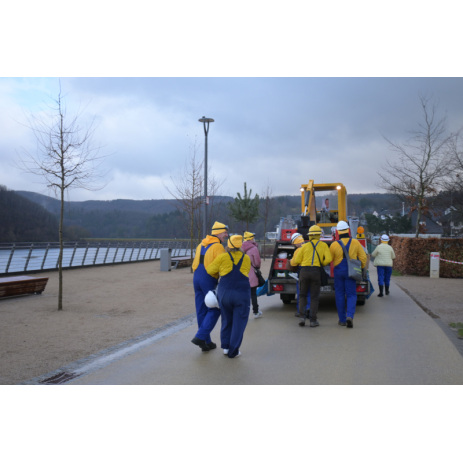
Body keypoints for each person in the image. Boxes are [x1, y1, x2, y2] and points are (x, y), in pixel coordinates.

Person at [206, 234, 251, 358]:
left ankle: (225, 347)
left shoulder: (222, 257)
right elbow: (246, 271)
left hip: (225, 293)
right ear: (240, 245)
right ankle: (233, 350)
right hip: (241, 293)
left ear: (228, 245)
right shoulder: (246, 258)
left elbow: (210, 270)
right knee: (239, 322)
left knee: (226, 320)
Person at [191, 221, 229, 352]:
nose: (226, 235)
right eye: (225, 232)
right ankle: (200, 337)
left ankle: (206, 342)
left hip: (196, 278)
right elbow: (223, 266)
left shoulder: (201, 244)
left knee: (201, 309)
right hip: (208, 278)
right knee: (215, 308)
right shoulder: (218, 247)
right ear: (218, 233)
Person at [290, 225, 332, 327]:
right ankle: (313, 320)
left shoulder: (304, 246)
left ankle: (302, 317)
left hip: (304, 271)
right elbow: (329, 259)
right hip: (316, 272)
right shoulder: (323, 245)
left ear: (309, 235)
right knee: (314, 297)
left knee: (302, 295)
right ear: (319, 235)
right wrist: (321, 263)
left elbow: (297, 260)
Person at [330, 221, 367, 328]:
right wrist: (362, 268)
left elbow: (329, 259)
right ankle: (350, 316)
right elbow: (363, 257)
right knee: (351, 294)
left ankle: (342, 320)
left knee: (340, 294)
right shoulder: (355, 242)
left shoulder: (334, 244)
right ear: (348, 230)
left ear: (337, 232)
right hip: (351, 271)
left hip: (339, 272)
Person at [242, 231, 263, 318]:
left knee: (243, 295)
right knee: (253, 294)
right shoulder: (254, 248)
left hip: (242, 274)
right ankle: (256, 312)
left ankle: (243, 312)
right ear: (251, 239)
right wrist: (257, 267)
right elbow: (257, 262)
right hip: (251, 273)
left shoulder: (239, 247)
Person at [289, 232, 310, 317]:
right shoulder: (309, 247)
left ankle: (300, 311)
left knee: (301, 293)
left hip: (302, 271)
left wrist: (290, 261)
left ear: (296, 242)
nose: (295, 246)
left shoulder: (298, 250)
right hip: (311, 270)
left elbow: (293, 263)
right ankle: (309, 309)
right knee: (309, 292)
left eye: (294, 244)